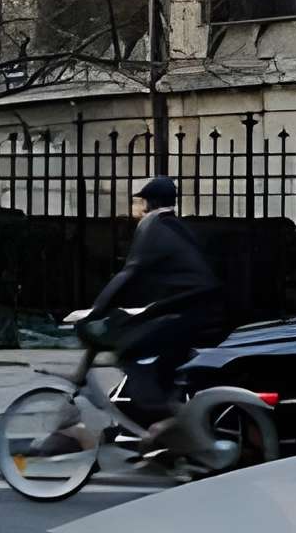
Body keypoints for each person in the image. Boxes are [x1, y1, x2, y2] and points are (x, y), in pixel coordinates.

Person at [85, 175, 225, 425]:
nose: (140, 209)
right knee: (161, 369)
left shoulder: (153, 225)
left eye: (142, 203)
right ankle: (161, 426)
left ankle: (165, 421)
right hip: (201, 309)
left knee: (130, 350)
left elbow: (131, 272)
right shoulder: (175, 226)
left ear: (150, 203)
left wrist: (97, 309)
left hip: (187, 312)